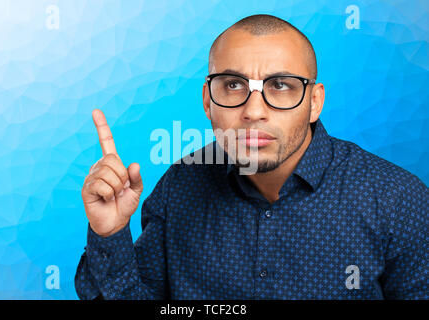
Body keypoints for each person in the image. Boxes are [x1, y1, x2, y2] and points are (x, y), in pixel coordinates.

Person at [75, 14, 428, 299]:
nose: (254, 110)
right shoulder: (180, 185)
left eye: (280, 85)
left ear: (314, 103)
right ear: (208, 102)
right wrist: (109, 232)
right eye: (232, 85)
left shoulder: (399, 201)